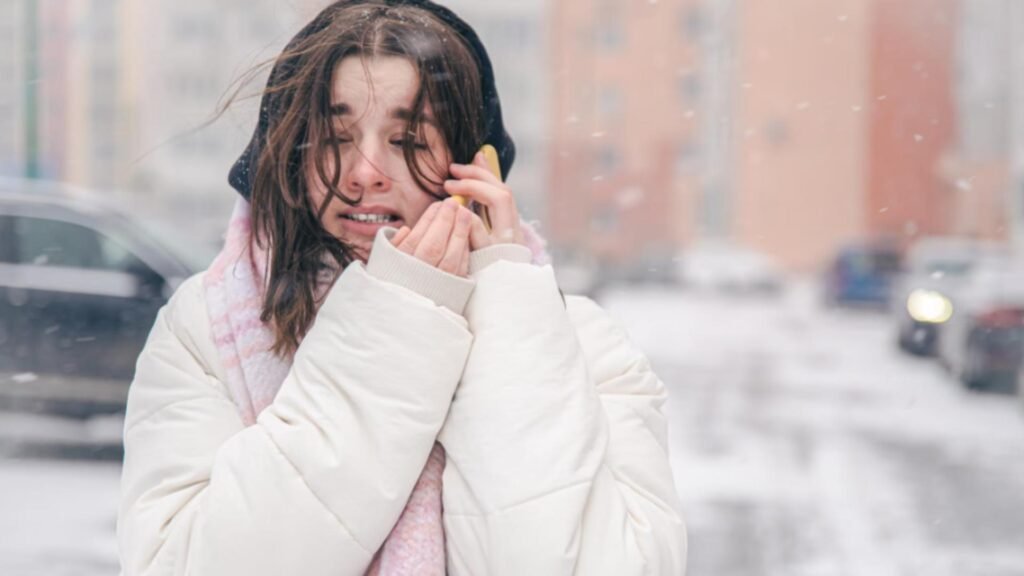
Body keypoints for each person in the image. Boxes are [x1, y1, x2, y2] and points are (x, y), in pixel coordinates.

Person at [116, 1, 686, 574]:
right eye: (336, 138)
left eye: (409, 141)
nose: (366, 171)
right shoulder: (205, 331)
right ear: (290, 159)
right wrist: (395, 323)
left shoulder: (581, 345)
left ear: (472, 168)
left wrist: (505, 301)